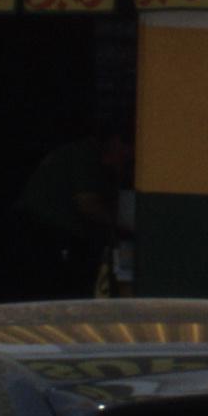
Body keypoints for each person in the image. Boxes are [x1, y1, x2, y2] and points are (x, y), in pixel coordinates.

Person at [14, 126, 129, 296]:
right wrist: (125, 225)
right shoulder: (85, 155)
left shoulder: (92, 158)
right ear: (114, 141)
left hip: (53, 233)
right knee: (54, 287)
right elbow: (88, 205)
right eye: (125, 148)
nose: (127, 154)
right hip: (45, 231)